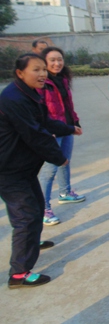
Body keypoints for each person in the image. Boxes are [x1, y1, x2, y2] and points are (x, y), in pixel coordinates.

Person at [0, 54, 82, 289]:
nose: (43, 74)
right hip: (8, 170)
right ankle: (19, 274)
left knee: (35, 209)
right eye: (36, 70)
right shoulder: (14, 99)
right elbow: (35, 134)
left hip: (23, 168)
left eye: (43, 69)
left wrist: (68, 128)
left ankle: (31, 244)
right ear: (20, 73)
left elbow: (44, 121)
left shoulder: (30, 94)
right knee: (25, 217)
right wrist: (59, 158)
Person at [37, 47, 85, 226]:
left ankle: (65, 193)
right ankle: (43, 208)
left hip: (66, 128)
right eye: (52, 60)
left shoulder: (62, 79)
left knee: (65, 161)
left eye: (60, 59)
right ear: (44, 62)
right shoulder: (42, 82)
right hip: (52, 131)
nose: (57, 63)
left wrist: (75, 122)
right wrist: (46, 131)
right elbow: (39, 111)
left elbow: (68, 104)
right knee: (49, 171)